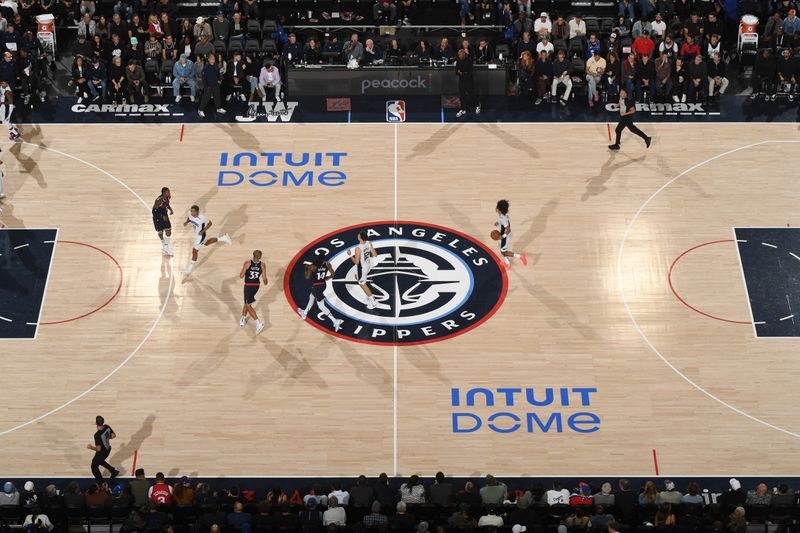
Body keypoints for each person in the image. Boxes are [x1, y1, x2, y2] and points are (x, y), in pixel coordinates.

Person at [297, 251, 344, 332]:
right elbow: (333, 275)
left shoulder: (313, 266)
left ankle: (335, 320)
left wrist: (306, 269)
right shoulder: (327, 264)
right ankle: (304, 313)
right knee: (311, 296)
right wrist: (327, 277)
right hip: (323, 285)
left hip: (316, 286)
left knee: (321, 306)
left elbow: (307, 277)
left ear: (317, 258)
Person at [182, 204, 231, 275]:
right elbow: (189, 218)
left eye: (193, 211)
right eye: (191, 211)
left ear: (197, 212)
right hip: (196, 234)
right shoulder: (190, 214)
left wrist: (203, 230)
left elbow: (210, 223)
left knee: (194, 251)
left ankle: (189, 270)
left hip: (200, 236)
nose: (191, 213)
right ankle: (223, 238)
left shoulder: (202, 217)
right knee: (207, 243)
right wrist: (186, 222)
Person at [239, 249, 267, 334]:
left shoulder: (247, 263)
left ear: (253, 256)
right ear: (260, 257)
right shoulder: (262, 265)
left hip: (248, 286)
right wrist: (265, 282)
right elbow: (265, 279)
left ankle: (258, 323)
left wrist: (245, 269)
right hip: (256, 286)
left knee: (248, 305)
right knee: (247, 302)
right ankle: (243, 318)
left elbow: (241, 276)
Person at [349, 231, 378, 309]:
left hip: (362, 268)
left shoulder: (358, 248)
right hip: (368, 264)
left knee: (362, 284)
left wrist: (350, 255)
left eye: (358, 235)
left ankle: (374, 301)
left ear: (360, 237)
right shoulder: (369, 242)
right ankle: (369, 296)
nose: (357, 236)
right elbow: (375, 254)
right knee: (358, 277)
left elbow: (356, 262)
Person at [494, 200, 527, 268]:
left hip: (505, 237)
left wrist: (503, 237)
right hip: (503, 235)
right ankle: (507, 263)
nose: (496, 208)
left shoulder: (503, 218)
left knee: (503, 252)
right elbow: (505, 224)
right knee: (501, 248)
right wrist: (497, 223)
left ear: (498, 209)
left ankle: (520, 256)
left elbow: (508, 230)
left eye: (497, 207)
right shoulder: (503, 215)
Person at [87, 415, 119, 482]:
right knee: (100, 461)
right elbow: (114, 435)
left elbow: (98, 449)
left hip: (102, 453)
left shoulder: (97, 435)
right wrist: (107, 438)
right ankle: (113, 471)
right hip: (108, 449)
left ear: (96, 423)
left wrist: (91, 447)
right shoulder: (107, 426)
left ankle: (101, 483)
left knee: (94, 466)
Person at [197, 53, 225, 117]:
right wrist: (206, 87)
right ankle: (200, 110)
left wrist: (218, 80)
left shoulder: (216, 65)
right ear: (209, 60)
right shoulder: (206, 67)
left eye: (214, 59)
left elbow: (217, 74)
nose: (213, 60)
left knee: (217, 96)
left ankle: (219, 108)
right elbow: (204, 78)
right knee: (205, 98)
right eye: (212, 59)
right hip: (209, 86)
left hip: (216, 84)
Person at [455, 48, 479, 117]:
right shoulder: (458, 61)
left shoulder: (469, 61)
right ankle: (463, 109)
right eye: (459, 54)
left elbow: (469, 72)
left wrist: (461, 73)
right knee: (462, 95)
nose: (459, 56)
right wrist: (462, 73)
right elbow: (456, 72)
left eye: (461, 54)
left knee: (471, 95)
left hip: (469, 81)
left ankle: (477, 106)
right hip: (461, 81)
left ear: (464, 54)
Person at [152, 187, 174, 256]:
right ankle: (164, 244)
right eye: (168, 192)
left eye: (169, 191)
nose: (169, 193)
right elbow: (154, 211)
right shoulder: (158, 201)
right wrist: (161, 216)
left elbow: (167, 204)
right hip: (157, 215)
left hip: (164, 213)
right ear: (164, 193)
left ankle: (165, 247)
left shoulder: (168, 197)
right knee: (160, 232)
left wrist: (170, 209)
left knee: (169, 231)